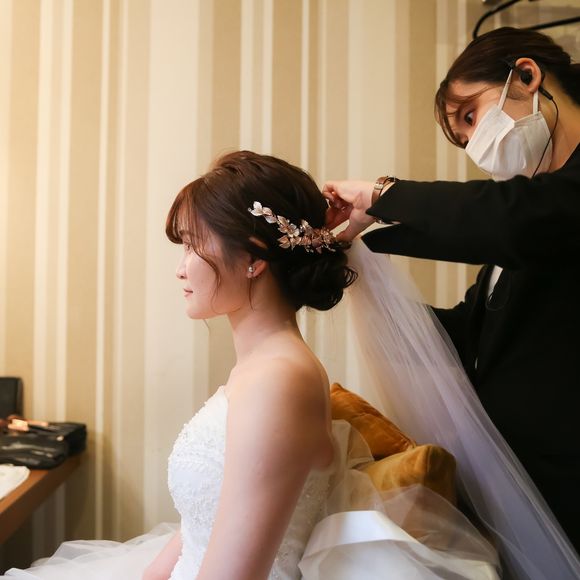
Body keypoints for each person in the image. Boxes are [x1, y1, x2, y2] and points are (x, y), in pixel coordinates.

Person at [1, 151, 501, 580]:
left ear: (253, 258)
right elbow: (204, 523)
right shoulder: (263, 366)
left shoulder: (278, 379)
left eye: (194, 244)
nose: (180, 267)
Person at [323, 26, 580, 555]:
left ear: (526, 76)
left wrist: (384, 195)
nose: (474, 146)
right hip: (531, 489)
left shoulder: (536, 215)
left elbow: (515, 221)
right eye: (463, 139)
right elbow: (466, 338)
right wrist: (359, 271)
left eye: (470, 116)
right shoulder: (524, 223)